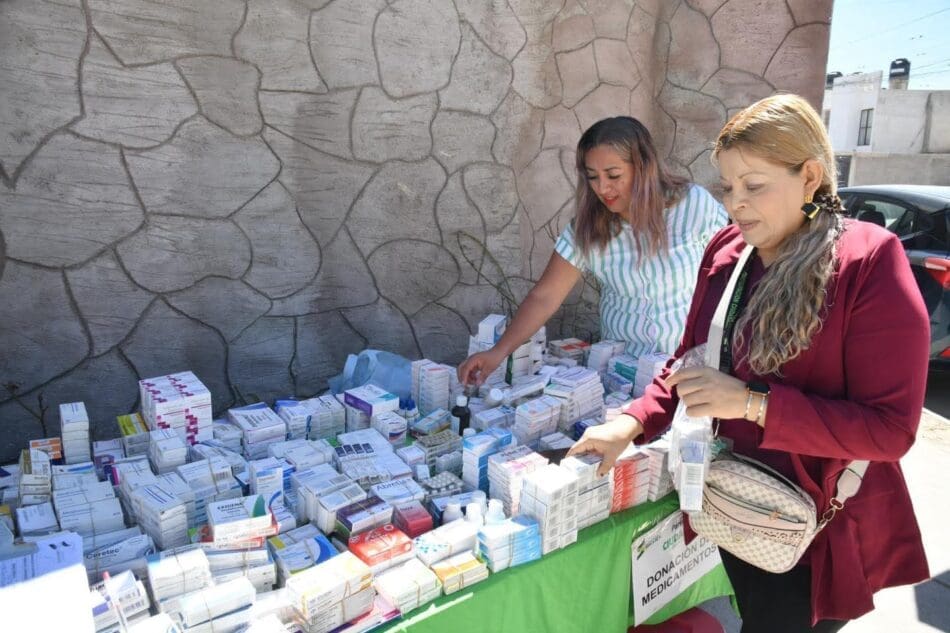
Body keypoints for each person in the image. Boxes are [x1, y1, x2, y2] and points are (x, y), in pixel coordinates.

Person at [568, 94, 930, 632]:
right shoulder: (729, 252)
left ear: (810, 177)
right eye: (728, 187)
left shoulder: (865, 261)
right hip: (732, 501)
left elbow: (890, 430)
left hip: (816, 525)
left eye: (754, 186)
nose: (736, 204)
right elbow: (691, 361)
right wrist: (632, 423)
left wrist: (752, 403)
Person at [458, 116, 727, 386]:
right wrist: (497, 352)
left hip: (690, 368)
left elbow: (734, 270)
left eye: (614, 175)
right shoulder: (587, 229)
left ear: (643, 167)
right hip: (622, 373)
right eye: (593, 177)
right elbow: (545, 296)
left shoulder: (693, 205)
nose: (602, 188)